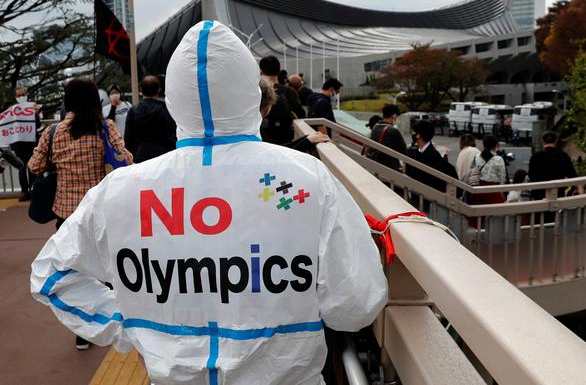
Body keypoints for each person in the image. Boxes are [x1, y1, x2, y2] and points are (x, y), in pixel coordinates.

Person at [30, 21, 387, 384]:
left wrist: (131, 325)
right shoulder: (305, 179)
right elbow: (355, 307)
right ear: (253, 93)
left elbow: (51, 277)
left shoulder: (119, 190)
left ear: (173, 101)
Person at [28, 78, 132, 350]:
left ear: (68, 101)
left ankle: (83, 332)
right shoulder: (105, 127)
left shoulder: (53, 132)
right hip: (100, 211)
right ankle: (123, 318)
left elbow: (34, 165)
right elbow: (126, 161)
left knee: (74, 270)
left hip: (68, 214)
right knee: (110, 267)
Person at [259, 78, 330, 151]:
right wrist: (307, 141)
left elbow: (274, 149)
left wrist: (307, 138)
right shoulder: (256, 128)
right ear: (267, 104)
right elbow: (273, 154)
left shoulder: (255, 126)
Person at [406, 120, 458, 213]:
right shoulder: (420, 151)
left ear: (418, 135)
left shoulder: (433, 156)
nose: (412, 134)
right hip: (419, 199)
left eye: (413, 131)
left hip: (427, 203)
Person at [123, 75, 177, 163]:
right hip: (162, 158)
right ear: (159, 90)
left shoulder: (133, 111)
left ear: (141, 90)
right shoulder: (165, 110)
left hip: (140, 159)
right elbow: (172, 137)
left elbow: (128, 139)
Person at [260, 56, 306, 145]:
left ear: (261, 71)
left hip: (261, 139)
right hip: (285, 140)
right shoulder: (289, 92)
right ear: (278, 71)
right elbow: (301, 114)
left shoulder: (257, 90)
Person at [9, 86, 40, 201]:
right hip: (19, 145)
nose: (21, 97)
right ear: (15, 97)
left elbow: (38, 124)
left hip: (31, 143)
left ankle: (33, 190)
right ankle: (24, 191)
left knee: (32, 168)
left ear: (26, 95)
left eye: (23, 95)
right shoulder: (13, 110)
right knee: (22, 168)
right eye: (18, 95)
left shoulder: (31, 108)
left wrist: (36, 113)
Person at [528, 131, 578, 200]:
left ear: (542, 141)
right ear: (556, 141)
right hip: (558, 193)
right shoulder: (563, 156)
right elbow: (572, 175)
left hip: (539, 193)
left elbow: (531, 175)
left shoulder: (536, 156)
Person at [468, 134, 507, 208]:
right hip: (493, 190)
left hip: (479, 189)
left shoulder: (477, 156)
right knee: (495, 214)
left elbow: (472, 169)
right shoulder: (498, 159)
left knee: (479, 213)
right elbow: (502, 177)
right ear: (496, 145)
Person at [367, 104, 406, 171]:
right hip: (389, 169)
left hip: (376, 165)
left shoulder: (375, 127)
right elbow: (403, 150)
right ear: (394, 116)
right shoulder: (393, 131)